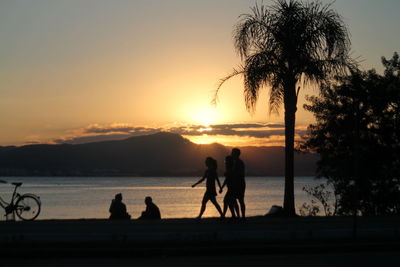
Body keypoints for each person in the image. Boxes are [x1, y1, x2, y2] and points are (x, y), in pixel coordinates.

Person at [231, 148, 246, 219]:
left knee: (240, 200)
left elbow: (238, 173)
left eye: (232, 153)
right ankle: (239, 216)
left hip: (239, 183)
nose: (231, 154)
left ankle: (242, 216)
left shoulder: (239, 163)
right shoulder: (236, 162)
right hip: (237, 183)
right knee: (235, 200)